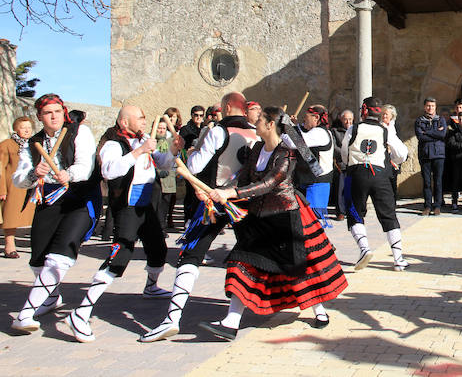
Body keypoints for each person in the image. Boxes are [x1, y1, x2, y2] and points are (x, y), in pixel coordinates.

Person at [198, 106, 347, 341]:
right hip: (258, 219)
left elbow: (268, 184)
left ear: (269, 125)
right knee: (242, 263)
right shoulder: (257, 148)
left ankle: (319, 310)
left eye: (259, 121)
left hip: (286, 218)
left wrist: (231, 193)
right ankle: (230, 323)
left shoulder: (286, 153)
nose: (254, 124)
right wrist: (223, 190)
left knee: (300, 268)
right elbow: (244, 177)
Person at [140, 91, 257, 342]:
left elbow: (193, 167)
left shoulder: (218, 132)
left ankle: (172, 318)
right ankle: (233, 317)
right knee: (248, 256)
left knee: (191, 255)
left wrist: (185, 154)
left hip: (213, 202)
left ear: (226, 107)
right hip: (241, 201)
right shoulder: (253, 133)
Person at [66, 106, 184, 342]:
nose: (143, 121)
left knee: (158, 248)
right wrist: (139, 150)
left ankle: (151, 286)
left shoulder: (143, 139)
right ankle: (81, 311)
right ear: (124, 122)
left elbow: (162, 163)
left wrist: (172, 151)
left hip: (147, 203)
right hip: (128, 206)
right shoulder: (113, 144)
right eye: (139, 118)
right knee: (121, 254)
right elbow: (109, 171)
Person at [10, 94, 99, 335]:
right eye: (48, 113)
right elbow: (18, 179)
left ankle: (25, 313)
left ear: (64, 112)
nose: (54, 116)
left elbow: (85, 166)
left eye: (58, 111)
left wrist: (69, 174)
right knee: (38, 258)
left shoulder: (79, 133)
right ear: (40, 117)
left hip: (79, 198)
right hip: (48, 199)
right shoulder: (33, 143)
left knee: (60, 255)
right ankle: (51, 298)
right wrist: (33, 174)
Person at [341, 97, 409, 272]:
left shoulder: (353, 129)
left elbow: (344, 153)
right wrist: (389, 160)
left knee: (354, 211)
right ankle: (398, 259)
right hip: (380, 175)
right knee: (388, 214)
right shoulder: (385, 130)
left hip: (356, 174)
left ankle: (364, 249)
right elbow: (402, 154)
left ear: (364, 110)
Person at [1, 116, 35, 258]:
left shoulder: (34, 144)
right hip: (13, 187)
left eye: (29, 127)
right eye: (23, 127)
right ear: (16, 129)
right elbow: (0, 168)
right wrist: (1, 189)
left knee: (34, 217)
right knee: (11, 216)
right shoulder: (7, 144)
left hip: (31, 186)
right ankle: (9, 245)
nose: (26, 130)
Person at [296, 105, 334, 224]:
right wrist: (295, 126)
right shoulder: (314, 132)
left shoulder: (319, 132)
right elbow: (304, 150)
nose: (304, 120)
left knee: (313, 221)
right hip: (310, 180)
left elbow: (297, 144)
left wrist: (287, 127)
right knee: (305, 220)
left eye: (306, 117)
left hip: (318, 182)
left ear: (316, 117)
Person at [415, 97, 446, 215]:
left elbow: (442, 135)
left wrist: (427, 132)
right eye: (428, 106)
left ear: (435, 107)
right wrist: (435, 133)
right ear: (424, 107)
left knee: (438, 181)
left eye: (432, 106)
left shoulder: (441, 119)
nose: (430, 108)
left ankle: (437, 205)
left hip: (438, 154)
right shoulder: (419, 121)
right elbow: (420, 136)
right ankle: (427, 205)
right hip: (425, 154)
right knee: (427, 182)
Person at [330, 109, 354, 221]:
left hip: (353, 162)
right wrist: (346, 154)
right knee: (341, 188)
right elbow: (334, 147)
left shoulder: (355, 130)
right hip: (341, 163)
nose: (348, 121)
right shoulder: (334, 131)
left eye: (350, 119)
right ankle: (340, 211)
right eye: (345, 119)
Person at [382, 104, 406, 199]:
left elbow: (398, 142)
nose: (384, 116)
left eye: (386, 114)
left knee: (393, 182)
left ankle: (393, 203)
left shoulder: (395, 127)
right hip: (383, 159)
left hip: (394, 159)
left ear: (392, 116)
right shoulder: (379, 126)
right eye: (383, 114)